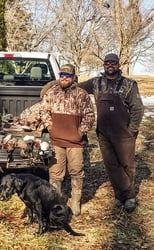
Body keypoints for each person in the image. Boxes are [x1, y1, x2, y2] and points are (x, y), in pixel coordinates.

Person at [79, 53, 144, 213]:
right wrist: (53, 84)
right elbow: (76, 86)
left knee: (127, 164)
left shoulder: (129, 84)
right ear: (103, 66)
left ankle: (129, 197)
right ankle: (119, 195)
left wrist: (132, 129)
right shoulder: (96, 82)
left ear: (118, 65)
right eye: (107, 63)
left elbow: (138, 108)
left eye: (113, 63)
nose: (110, 65)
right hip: (104, 133)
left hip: (124, 133)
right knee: (111, 165)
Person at [39, 64, 95, 216]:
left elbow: (90, 115)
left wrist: (80, 131)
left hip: (75, 142)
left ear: (73, 77)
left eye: (67, 76)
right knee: (55, 173)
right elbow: (43, 110)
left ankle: (75, 202)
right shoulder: (51, 92)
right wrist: (50, 127)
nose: (64, 78)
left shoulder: (81, 94)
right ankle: (56, 202)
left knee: (76, 171)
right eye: (62, 75)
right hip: (56, 141)